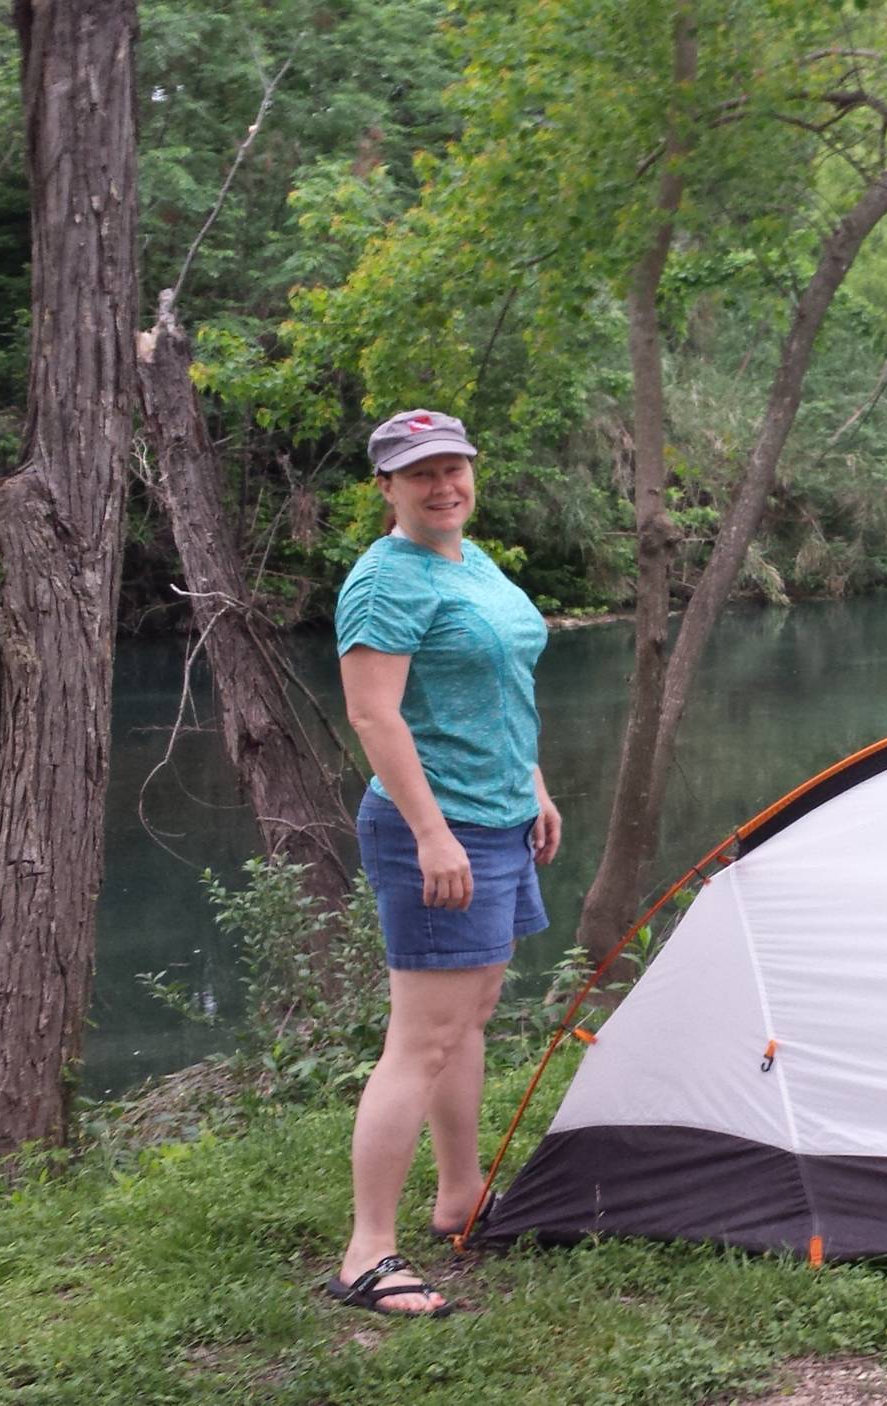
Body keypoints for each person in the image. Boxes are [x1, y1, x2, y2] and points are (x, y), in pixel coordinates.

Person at [324, 408, 561, 1318]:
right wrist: (431, 834)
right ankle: (366, 1254)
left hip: (499, 819)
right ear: (387, 486)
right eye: (419, 473)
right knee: (420, 1039)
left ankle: (459, 1197)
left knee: (470, 1019)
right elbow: (376, 716)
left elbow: (502, 683)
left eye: (454, 466)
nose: (442, 485)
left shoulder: (474, 559)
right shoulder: (386, 582)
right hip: (439, 830)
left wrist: (532, 784)